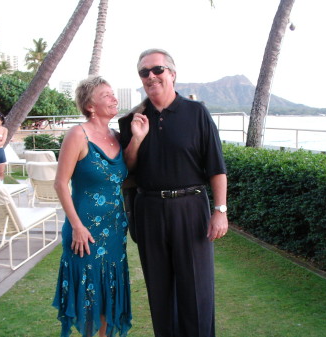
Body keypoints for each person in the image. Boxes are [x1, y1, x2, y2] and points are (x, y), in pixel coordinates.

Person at [118, 48, 228, 337]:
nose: (151, 76)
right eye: (144, 72)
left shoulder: (197, 113)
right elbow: (127, 169)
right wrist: (138, 138)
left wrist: (220, 211)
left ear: (172, 74)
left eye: (157, 70)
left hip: (191, 209)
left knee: (197, 290)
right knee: (160, 290)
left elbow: (216, 166)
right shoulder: (131, 120)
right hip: (149, 210)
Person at [52, 76, 132, 337]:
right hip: (83, 232)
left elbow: (129, 172)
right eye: (106, 95)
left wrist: (139, 138)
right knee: (89, 298)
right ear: (90, 105)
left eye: (113, 94)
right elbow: (61, 184)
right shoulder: (78, 134)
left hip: (114, 230)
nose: (114, 98)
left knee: (109, 294)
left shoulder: (117, 136)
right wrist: (76, 226)